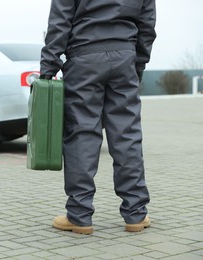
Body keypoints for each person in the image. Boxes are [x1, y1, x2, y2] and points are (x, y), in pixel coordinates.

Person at [40, 0, 156, 234]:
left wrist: (48, 66)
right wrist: (137, 64)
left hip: (83, 58)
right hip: (125, 56)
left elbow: (60, 20)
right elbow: (147, 25)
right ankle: (135, 214)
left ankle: (79, 215)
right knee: (127, 135)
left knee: (82, 134)